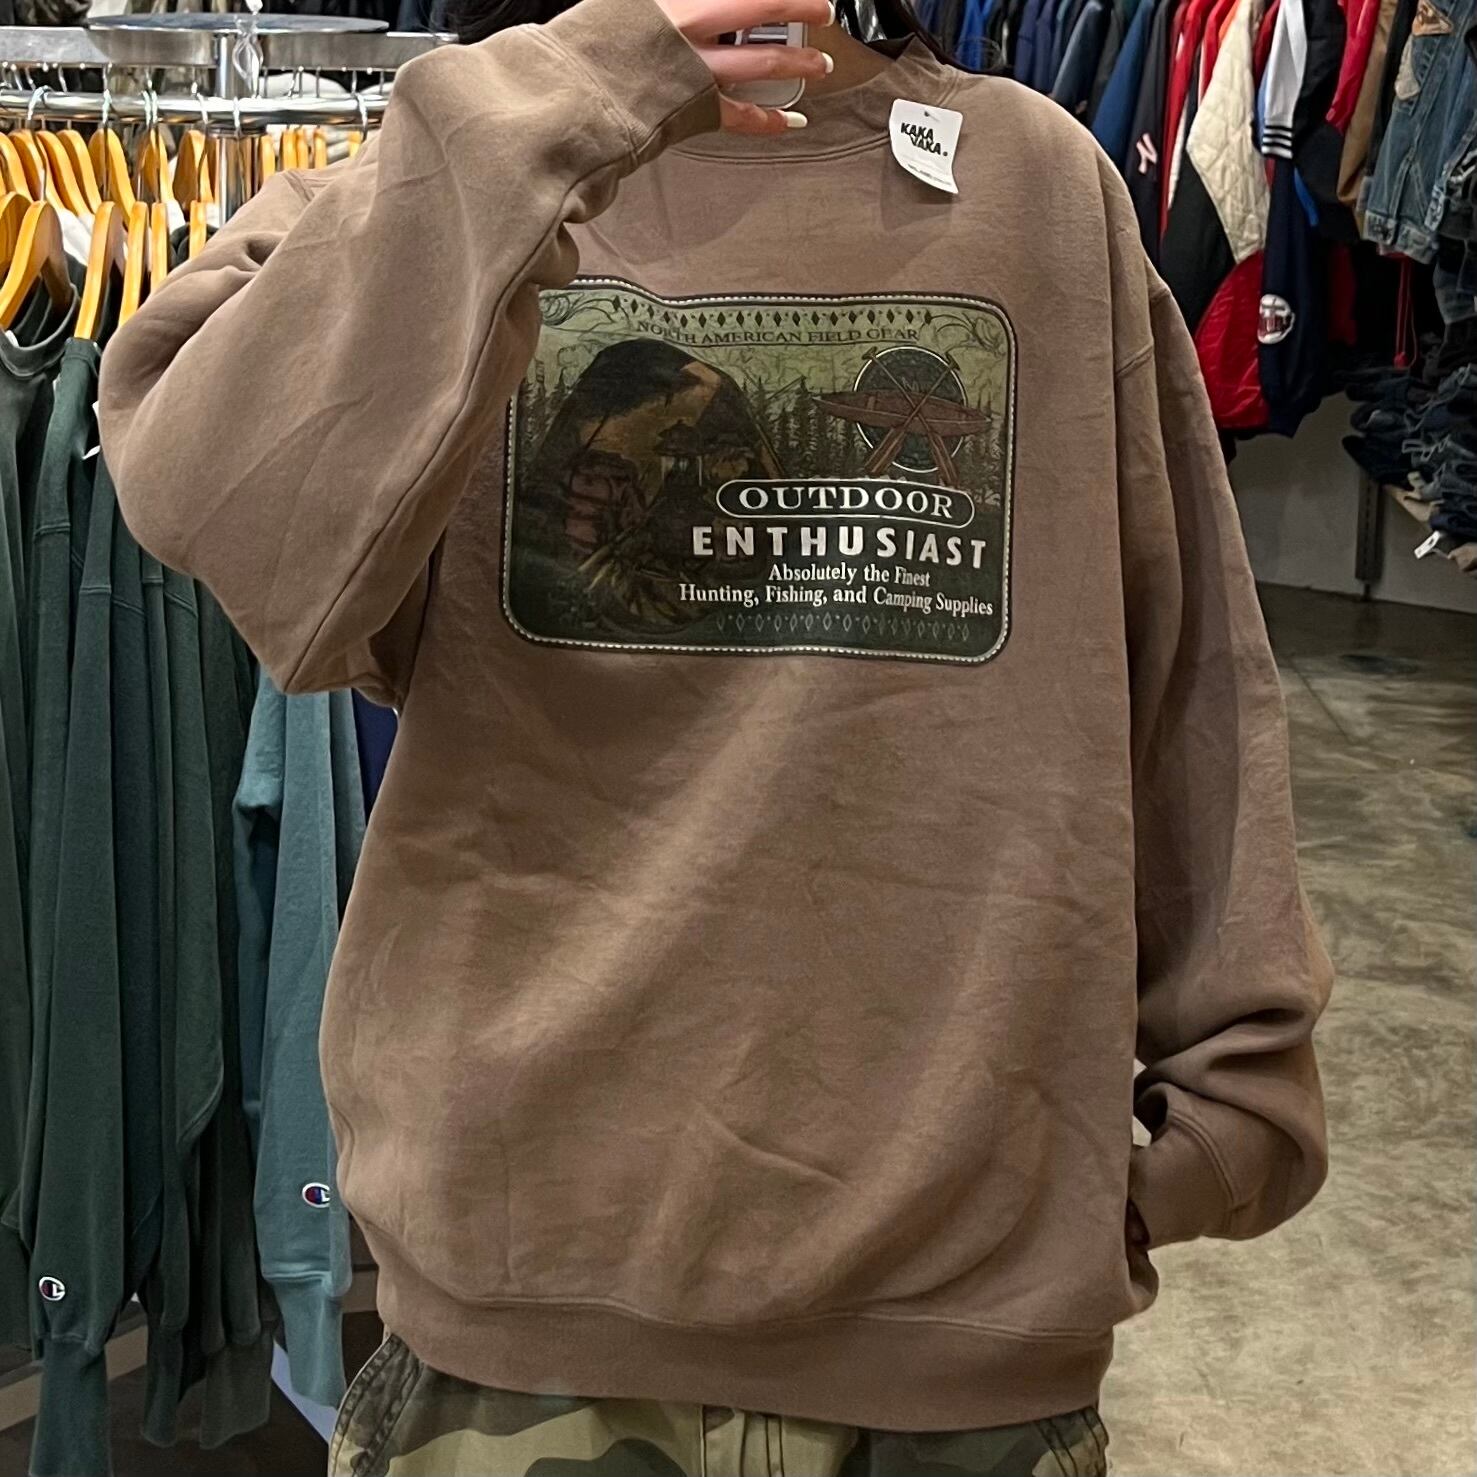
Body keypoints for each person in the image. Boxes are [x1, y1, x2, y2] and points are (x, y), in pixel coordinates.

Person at [98, 0, 1334, 1470]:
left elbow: (1185, 670)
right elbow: (212, 501)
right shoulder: (453, 172)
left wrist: (1228, 1114)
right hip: (524, 1303)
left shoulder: (1039, 188)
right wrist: (574, 91)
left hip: (958, 1322)